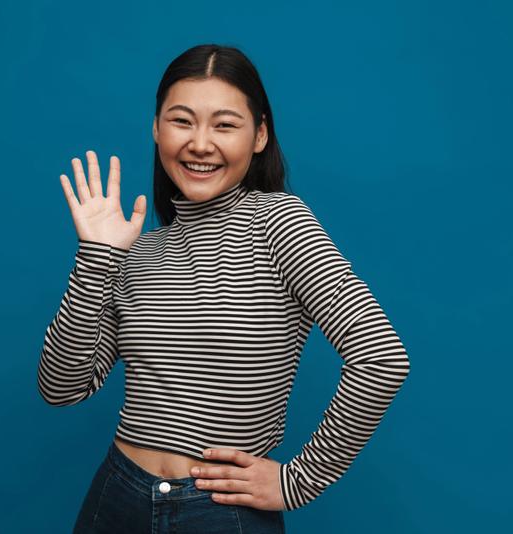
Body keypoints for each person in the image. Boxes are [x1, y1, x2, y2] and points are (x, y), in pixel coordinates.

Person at [37, 43, 411, 534]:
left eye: (225, 124)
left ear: (259, 135)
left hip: (219, 512)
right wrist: (97, 258)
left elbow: (382, 358)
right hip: (117, 497)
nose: (200, 143)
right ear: (156, 128)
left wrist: (298, 481)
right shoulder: (139, 252)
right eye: (182, 120)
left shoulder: (278, 224)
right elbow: (61, 389)